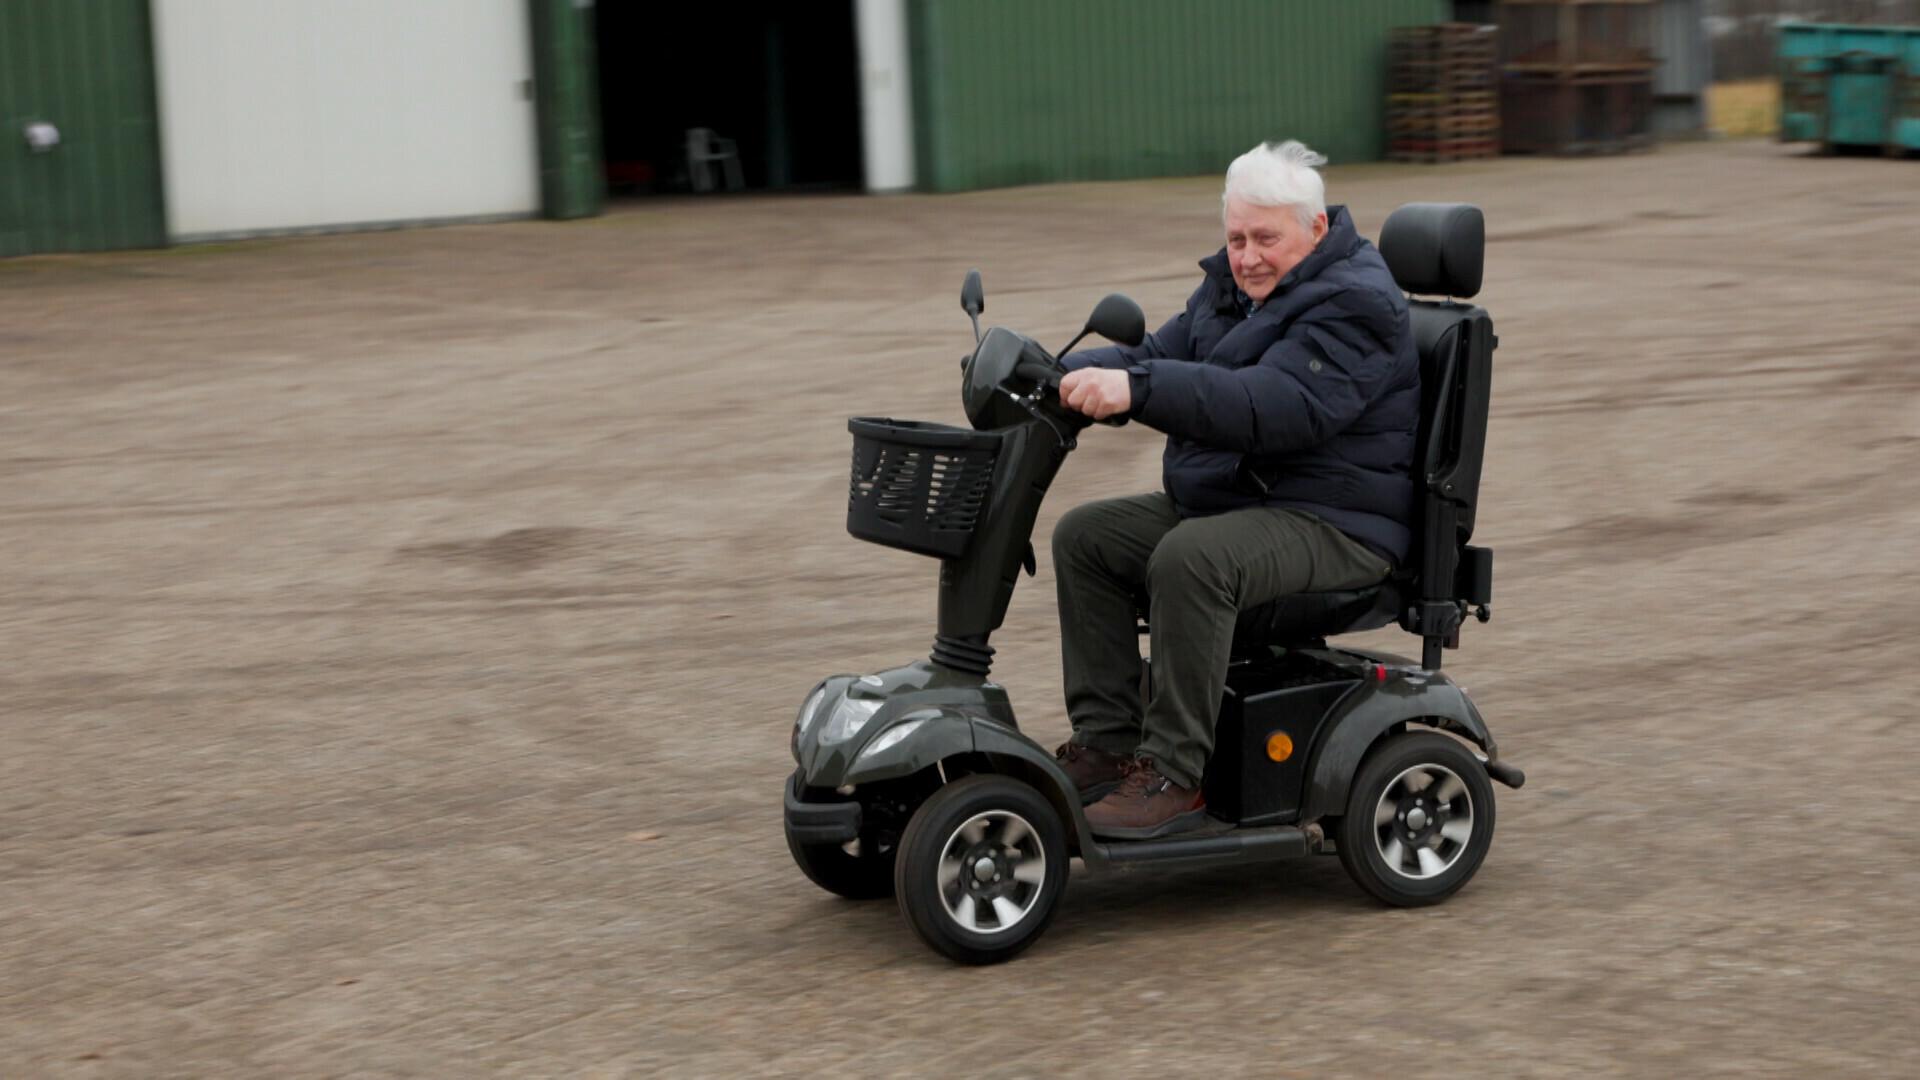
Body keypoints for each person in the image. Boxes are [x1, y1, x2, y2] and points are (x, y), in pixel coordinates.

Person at [1050, 140, 1421, 839]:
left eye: (1265, 239)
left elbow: (1274, 404)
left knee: (1193, 557)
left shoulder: (1360, 305)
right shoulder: (1233, 289)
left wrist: (1138, 390)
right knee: (1087, 538)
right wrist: (1055, 369)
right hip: (1250, 500)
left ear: (1314, 231)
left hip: (1336, 520)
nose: (1246, 256)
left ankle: (1173, 775)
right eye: (1236, 237)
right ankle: (1109, 740)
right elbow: (1159, 355)